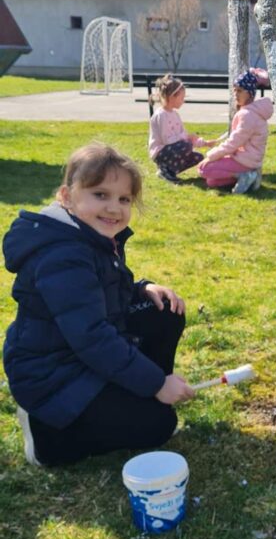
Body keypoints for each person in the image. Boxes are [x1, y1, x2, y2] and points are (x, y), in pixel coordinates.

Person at [3, 142, 195, 467]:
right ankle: (46, 437)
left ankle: (139, 395)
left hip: (82, 354)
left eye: (124, 199)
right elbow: (91, 336)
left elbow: (102, 294)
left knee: (164, 311)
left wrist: (144, 288)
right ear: (67, 196)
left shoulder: (92, 237)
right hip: (53, 373)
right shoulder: (63, 255)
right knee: (159, 425)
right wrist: (156, 383)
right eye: (100, 195)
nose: (114, 208)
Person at [199, 68, 273, 194]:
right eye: (234, 91)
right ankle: (246, 177)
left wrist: (212, 156)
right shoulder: (252, 111)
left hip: (246, 160)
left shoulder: (247, 114)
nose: (236, 95)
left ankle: (245, 176)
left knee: (203, 169)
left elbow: (234, 143)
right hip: (247, 159)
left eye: (239, 91)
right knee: (212, 181)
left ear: (249, 93)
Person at [149, 74, 211, 183]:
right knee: (186, 145)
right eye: (182, 98)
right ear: (172, 97)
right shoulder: (161, 115)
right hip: (160, 153)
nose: (183, 101)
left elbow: (184, 136)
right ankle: (164, 169)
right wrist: (187, 139)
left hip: (173, 149)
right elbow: (167, 140)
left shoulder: (175, 115)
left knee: (198, 157)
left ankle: (169, 171)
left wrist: (204, 143)